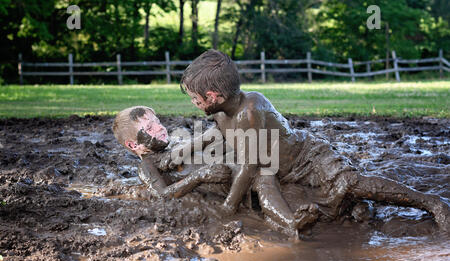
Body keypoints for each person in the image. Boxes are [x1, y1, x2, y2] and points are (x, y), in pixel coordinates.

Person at [179, 49, 450, 234]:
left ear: (213, 96)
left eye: (195, 99)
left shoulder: (250, 108)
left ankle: (431, 202)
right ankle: (300, 223)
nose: (194, 104)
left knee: (350, 183)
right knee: (282, 194)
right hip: (281, 171)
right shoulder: (222, 115)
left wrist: (228, 206)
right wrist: (184, 149)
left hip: (308, 157)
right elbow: (217, 136)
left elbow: (249, 165)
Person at [112, 106, 318, 237]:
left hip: (232, 173)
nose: (160, 128)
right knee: (260, 176)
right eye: (150, 128)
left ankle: (287, 222)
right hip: (221, 184)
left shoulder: (174, 144)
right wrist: (199, 176)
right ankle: (291, 223)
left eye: (157, 122)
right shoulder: (147, 166)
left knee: (263, 173)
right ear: (134, 145)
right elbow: (162, 195)